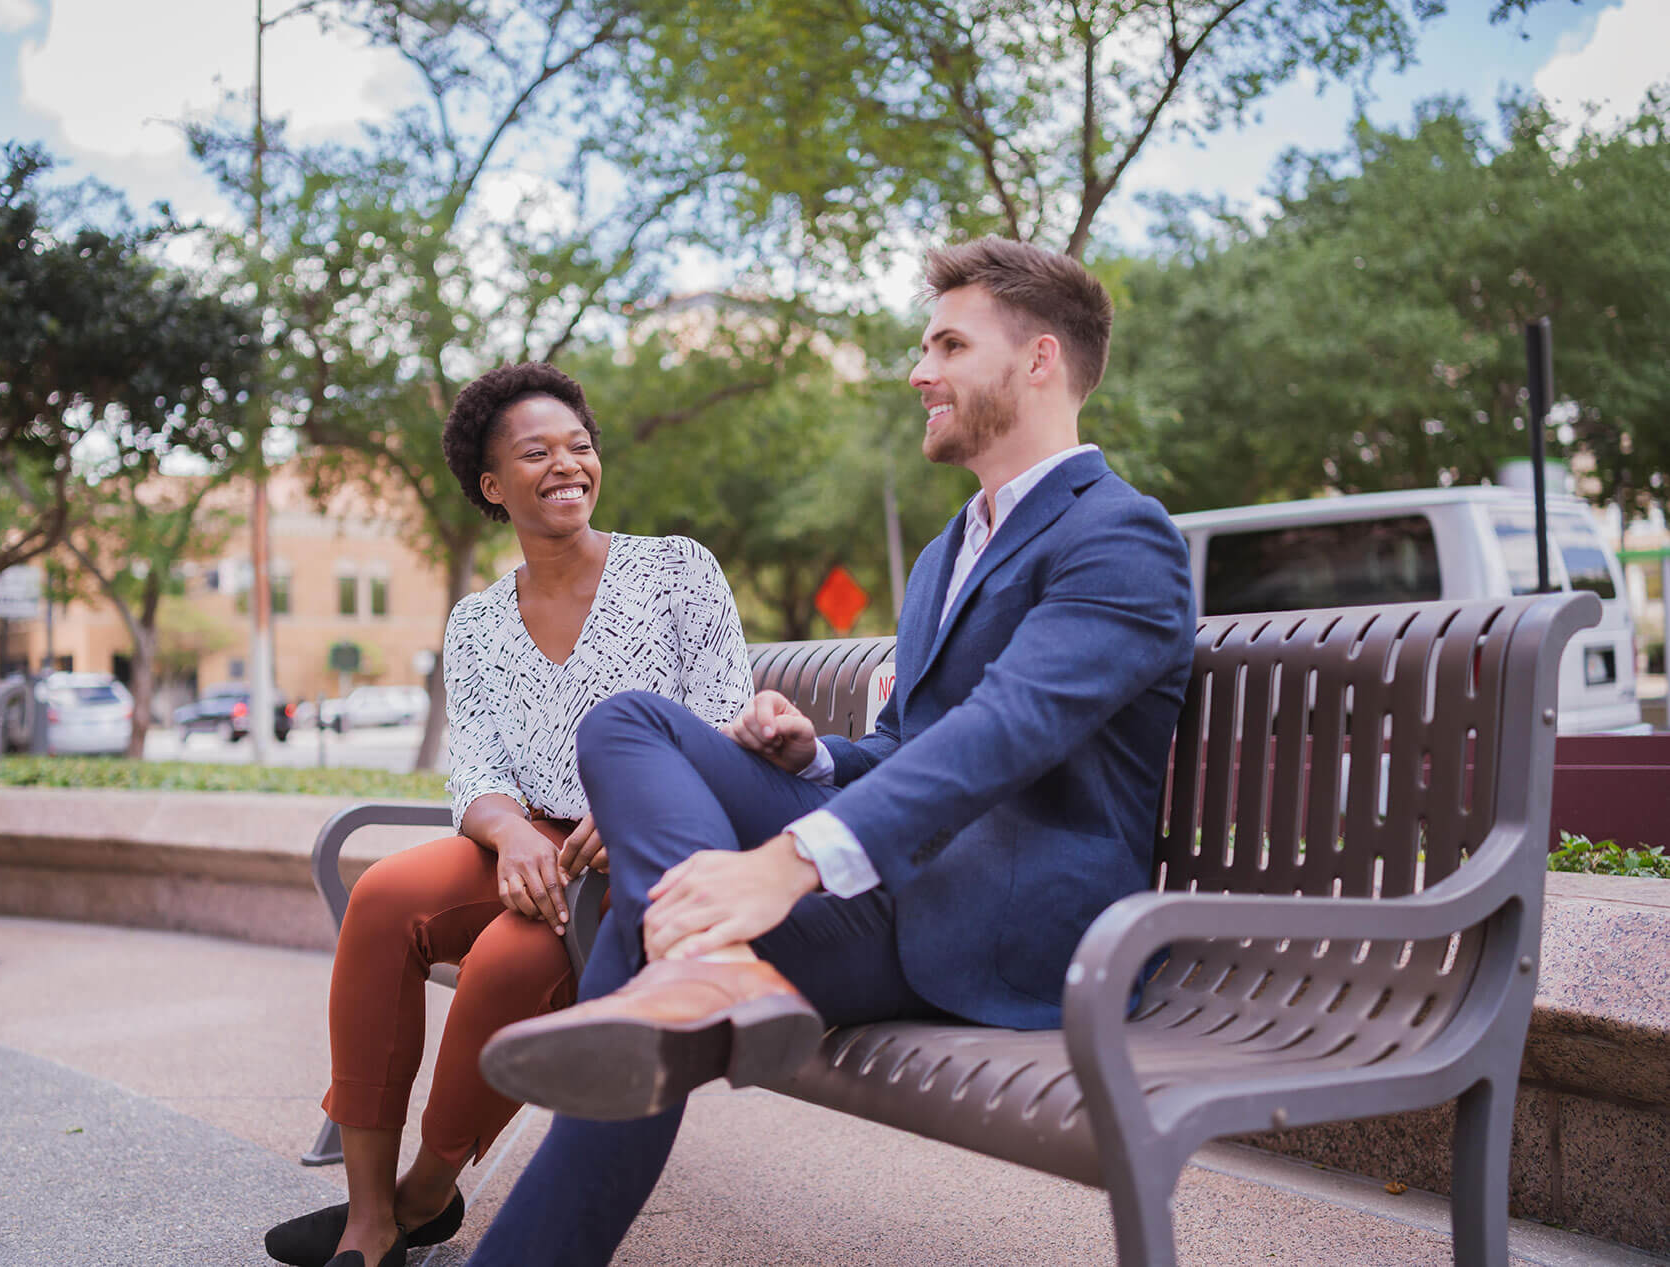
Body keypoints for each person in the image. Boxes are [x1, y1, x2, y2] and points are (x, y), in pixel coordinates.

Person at [468, 238, 1197, 1265]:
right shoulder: (955, 547)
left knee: (648, 930)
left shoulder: (1119, 539)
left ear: (1037, 361)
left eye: (947, 344)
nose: (918, 372)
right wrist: (813, 759)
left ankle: (695, 973)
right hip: (901, 883)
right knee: (627, 720)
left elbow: (1002, 737)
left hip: (1007, 926)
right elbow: (911, 748)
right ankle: (714, 966)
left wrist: (790, 858)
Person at [262, 363, 755, 1267]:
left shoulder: (677, 570)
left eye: (579, 446)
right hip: (521, 840)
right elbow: (477, 759)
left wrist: (650, 793)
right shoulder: (476, 620)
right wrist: (511, 830)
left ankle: (423, 1196)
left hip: (634, 857)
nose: (567, 464)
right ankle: (367, 1219)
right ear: (494, 486)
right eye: (537, 453)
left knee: (503, 963)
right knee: (379, 898)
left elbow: (728, 718)